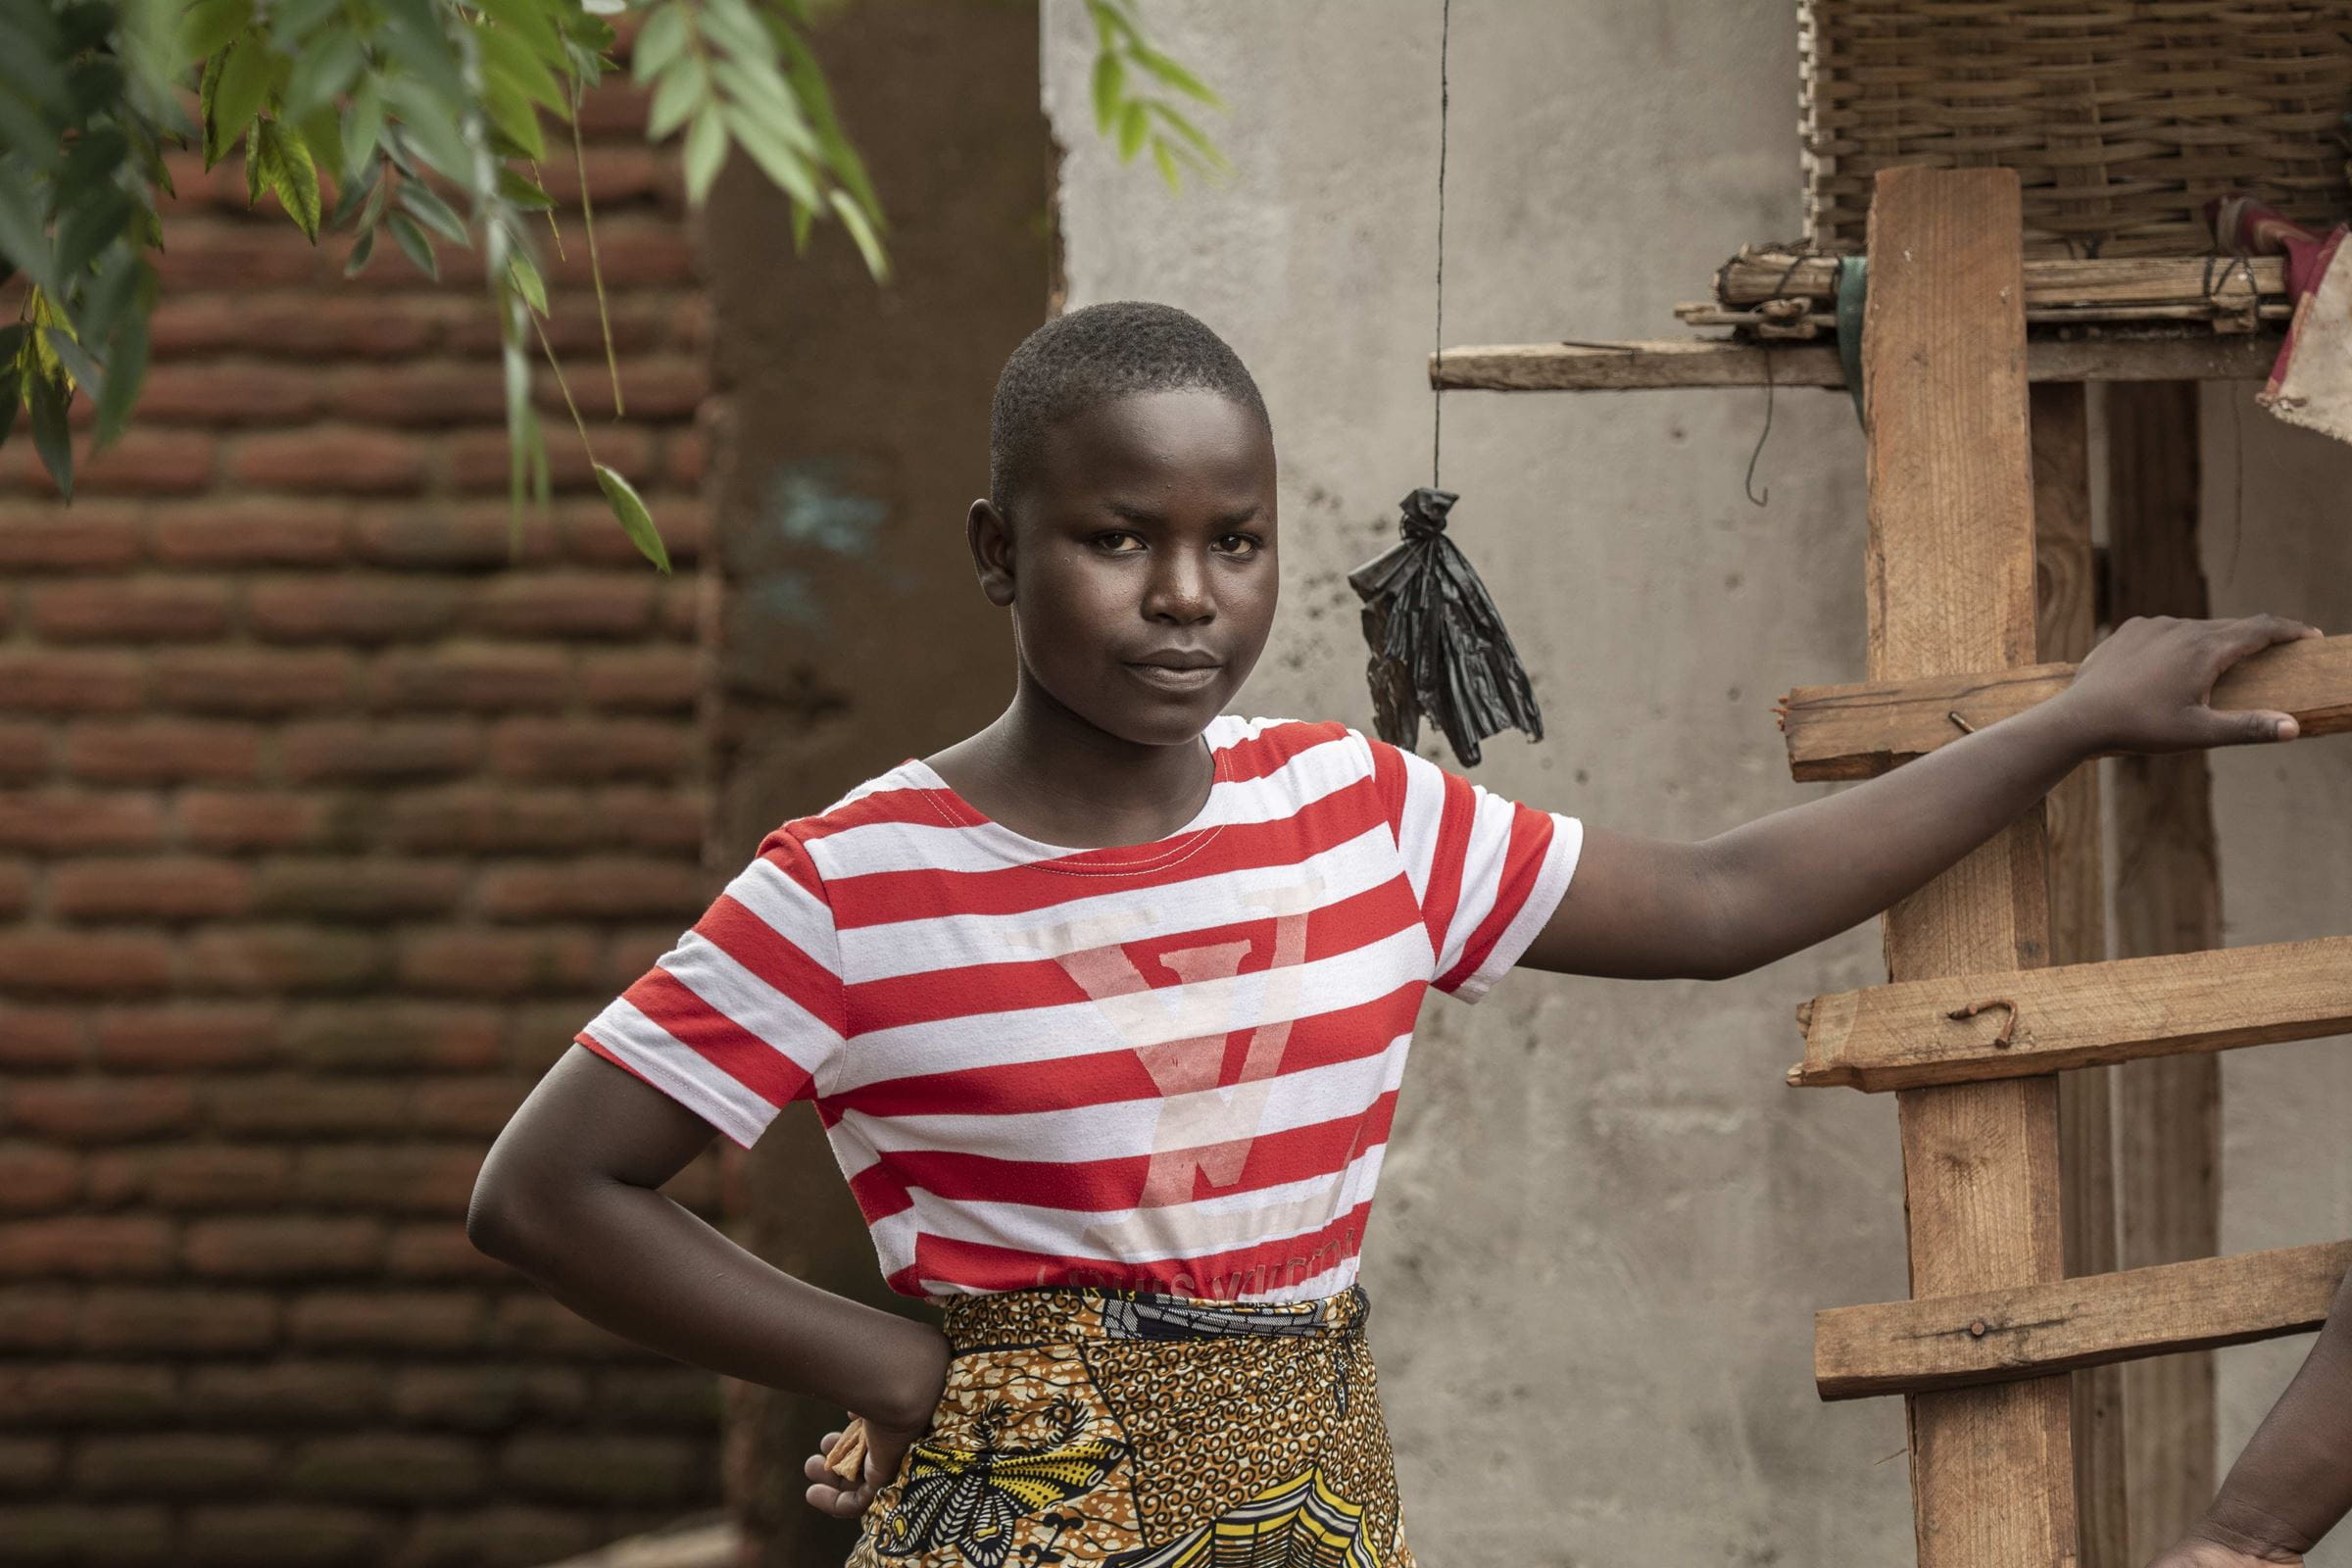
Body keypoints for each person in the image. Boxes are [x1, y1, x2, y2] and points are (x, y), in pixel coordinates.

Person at [466, 299, 2334, 1567]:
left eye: (1237, 539)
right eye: (1117, 538)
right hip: (1020, 1516)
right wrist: (895, 1371)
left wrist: (2067, 725)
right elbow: (548, 1194)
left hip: (1324, 1506)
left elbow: (1721, 902)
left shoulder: (1355, 810)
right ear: (995, 550)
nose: (1186, 595)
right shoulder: (856, 882)